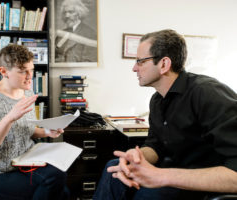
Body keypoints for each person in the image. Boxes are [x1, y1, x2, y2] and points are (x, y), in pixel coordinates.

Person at [93, 29, 237, 200]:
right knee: (115, 167)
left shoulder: (207, 93)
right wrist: (137, 155)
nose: (134, 68)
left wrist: (160, 176)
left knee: (151, 193)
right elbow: (156, 146)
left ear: (163, 64)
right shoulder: (157, 100)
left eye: (140, 61)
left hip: (203, 183)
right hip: (172, 172)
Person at [0, 44, 69, 200]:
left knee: (61, 184)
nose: (29, 76)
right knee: (54, 185)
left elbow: (24, 129)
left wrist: (46, 131)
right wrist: (9, 118)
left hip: (22, 163)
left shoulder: (27, 92)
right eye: (22, 71)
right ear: (4, 71)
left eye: (31, 70)